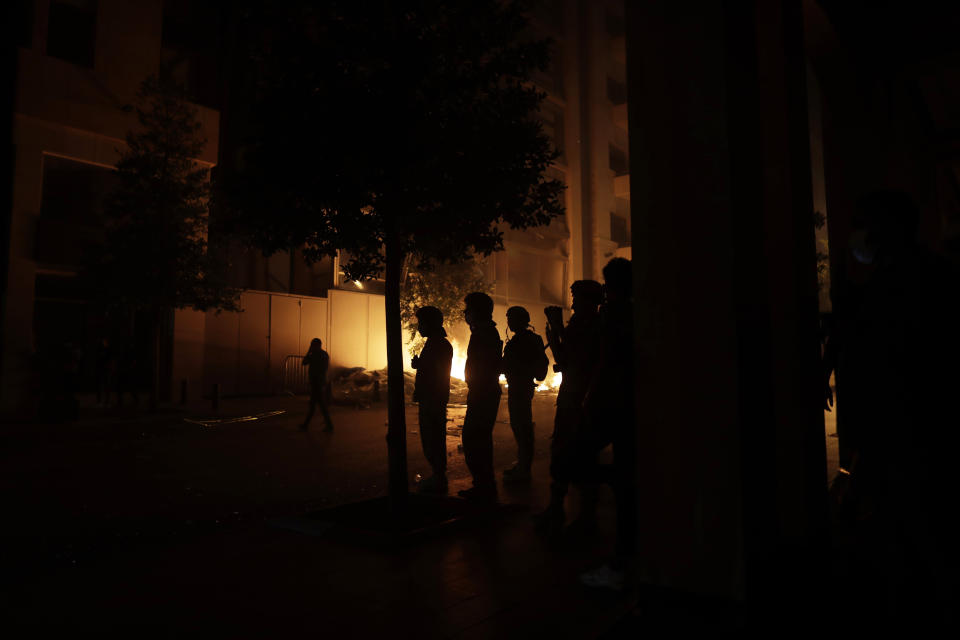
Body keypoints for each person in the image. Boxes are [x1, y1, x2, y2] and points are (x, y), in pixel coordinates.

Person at [577, 257, 637, 591]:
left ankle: (620, 561)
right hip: (629, 403)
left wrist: (590, 396)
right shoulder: (635, 311)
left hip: (613, 403)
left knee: (580, 456)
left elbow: (606, 359)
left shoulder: (614, 314)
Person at [534, 279, 603, 535]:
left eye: (576, 297)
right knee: (568, 455)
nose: (572, 302)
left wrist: (554, 329)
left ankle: (581, 517)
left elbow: (566, 358)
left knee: (574, 455)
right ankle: (561, 510)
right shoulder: (588, 325)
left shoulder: (589, 327)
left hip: (578, 401)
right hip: (576, 398)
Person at [458, 292, 503, 502]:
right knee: (478, 439)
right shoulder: (484, 332)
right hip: (482, 391)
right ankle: (484, 485)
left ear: (476, 312)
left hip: (483, 393)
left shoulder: (484, 334)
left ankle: (484, 486)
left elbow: (483, 365)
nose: (465, 314)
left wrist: (475, 386)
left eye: (468, 310)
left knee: (475, 439)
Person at [501, 306, 548, 484]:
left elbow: (535, 366)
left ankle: (524, 468)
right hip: (520, 387)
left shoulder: (524, 341)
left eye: (511, 319)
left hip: (521, 387)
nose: (509, 322)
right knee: (520, 426)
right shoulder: (529, 339)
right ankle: (522, 464)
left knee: (522, 427)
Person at [411, 306, 454, 493]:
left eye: (421, 323)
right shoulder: (436, 344)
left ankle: (438, 476)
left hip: (433, 398)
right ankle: (437, 474)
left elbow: (436, 373)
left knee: (433, 438)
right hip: (432, 397)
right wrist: (420, 364)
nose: (419, 327)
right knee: (432, 437)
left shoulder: (439, 345)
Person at [300, 338, 333, 431]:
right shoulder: (323, 354)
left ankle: (307, 425)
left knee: (316, 405)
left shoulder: (316, 355)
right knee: (317, 405)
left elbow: (304, 362)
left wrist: (308, 352)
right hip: (318, 382)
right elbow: (305, 362)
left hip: (317, 383)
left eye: (312, 345)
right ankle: (327, 425)